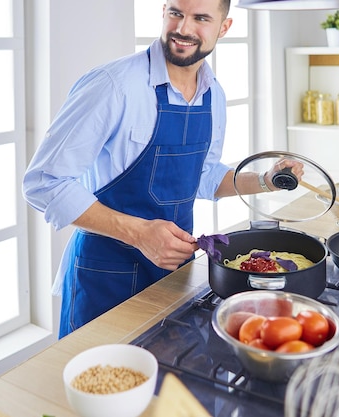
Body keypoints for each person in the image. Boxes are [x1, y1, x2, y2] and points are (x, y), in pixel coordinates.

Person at [23, 0, 303, 338]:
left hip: (173, 275)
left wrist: (266, 180)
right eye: (176, 13)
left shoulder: (212, 94)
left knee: (168, 384)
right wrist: (140, 234)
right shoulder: (115, 85)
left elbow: (203, 177)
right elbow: (44, 182)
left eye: (200, 18)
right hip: (104, 275)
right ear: (163, 12)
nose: (184, 29)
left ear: (223, 28)